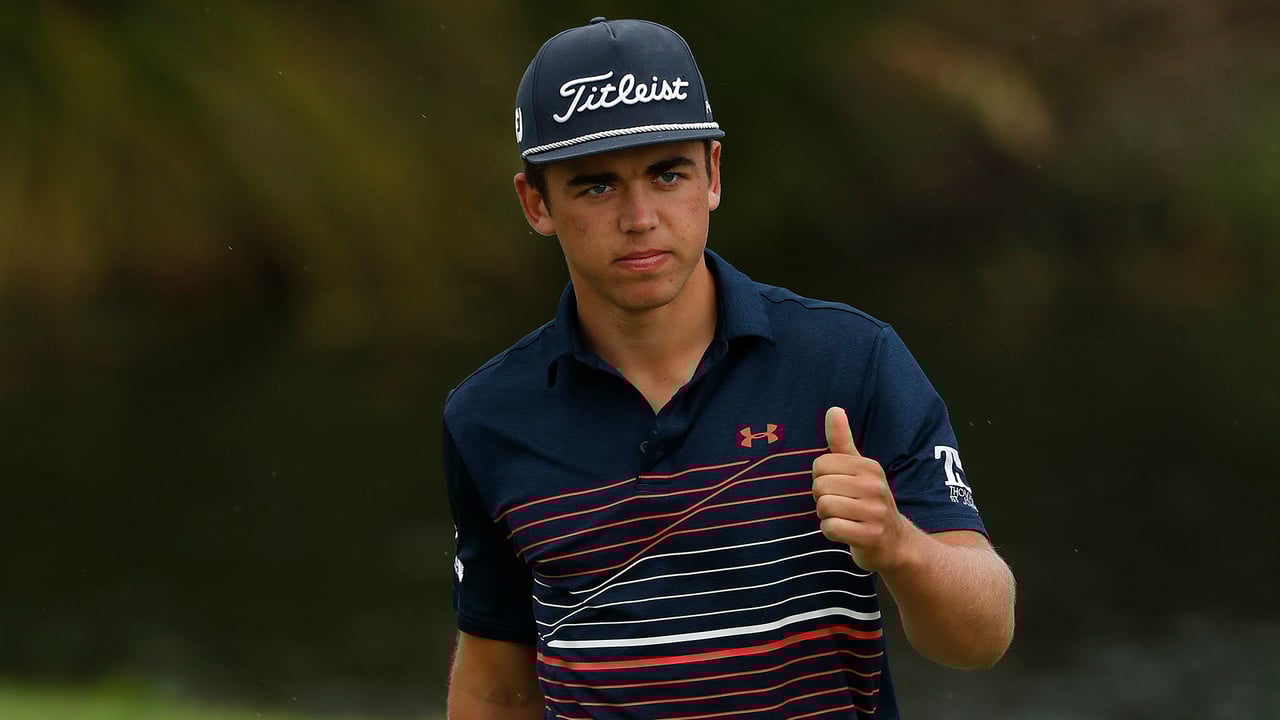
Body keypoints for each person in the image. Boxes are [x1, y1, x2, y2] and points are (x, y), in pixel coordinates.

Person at [443, 17, 1015, 719]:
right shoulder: (487, 416)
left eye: (667, 174)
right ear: (537, 203)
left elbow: (983, 637)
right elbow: (497, 687)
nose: (640, 217)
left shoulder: (852, 358)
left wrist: (900, 545)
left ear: (712, 174)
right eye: (596, 186)